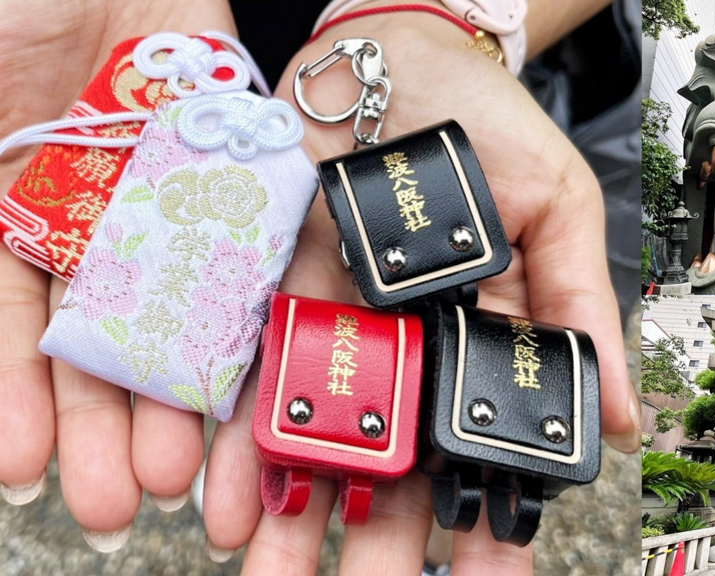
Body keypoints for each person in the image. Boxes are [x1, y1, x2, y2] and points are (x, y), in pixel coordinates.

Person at [0, 0, 641, 571]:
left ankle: (443, 501)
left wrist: (446, 11)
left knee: (453, 422)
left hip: (469, 68)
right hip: (216, 71)